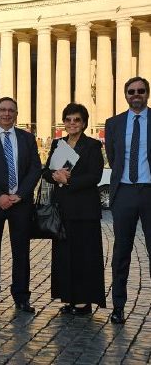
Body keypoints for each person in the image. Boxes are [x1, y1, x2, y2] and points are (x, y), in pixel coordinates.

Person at [0, 97, 41, 313]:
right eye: (3, 110)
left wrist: (20, 194)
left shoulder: (27, 138)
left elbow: (35, 168)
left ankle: (22, 297)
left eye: (11, 110)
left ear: (16, 114)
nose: (6, 114)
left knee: (21, 251)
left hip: (20, 203)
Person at [43, 103, 106, 315]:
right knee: (64, 256)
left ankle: (84, 301)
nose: (72, 123)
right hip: (62, 210)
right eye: (68, 120)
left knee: (84, 256)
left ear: (84, 123)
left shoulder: (92, 146)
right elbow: (46, 172)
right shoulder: (57, 143)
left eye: (77, 120)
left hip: (85, 211)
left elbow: (94, 176)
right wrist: (55, 175)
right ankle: (69, 297)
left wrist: (68, 181)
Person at [105, 77, 151, 324]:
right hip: (124, 191)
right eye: (131, 91)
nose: (136, 95)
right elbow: (113, 158)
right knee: (121, 251)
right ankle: (118, 306)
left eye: (141, 91)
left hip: (149, 190)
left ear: (147, 94)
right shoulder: (114, 123)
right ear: (125, 95)